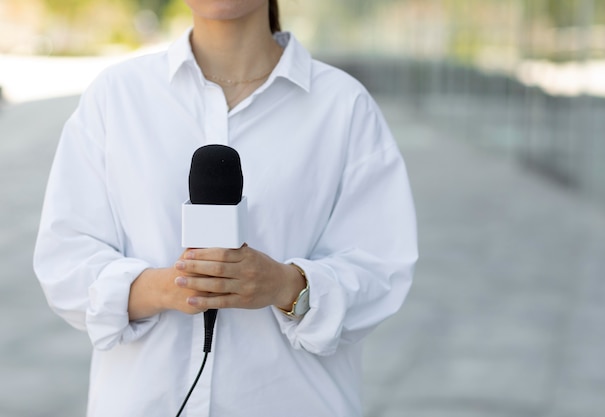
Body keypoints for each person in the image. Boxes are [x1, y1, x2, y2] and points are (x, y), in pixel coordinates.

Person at [33, 0, 418, 416]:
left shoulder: (343, 106)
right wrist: (163, 288)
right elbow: (64, 260)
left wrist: (284, 285)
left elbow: (381, 270)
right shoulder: (116, 96)